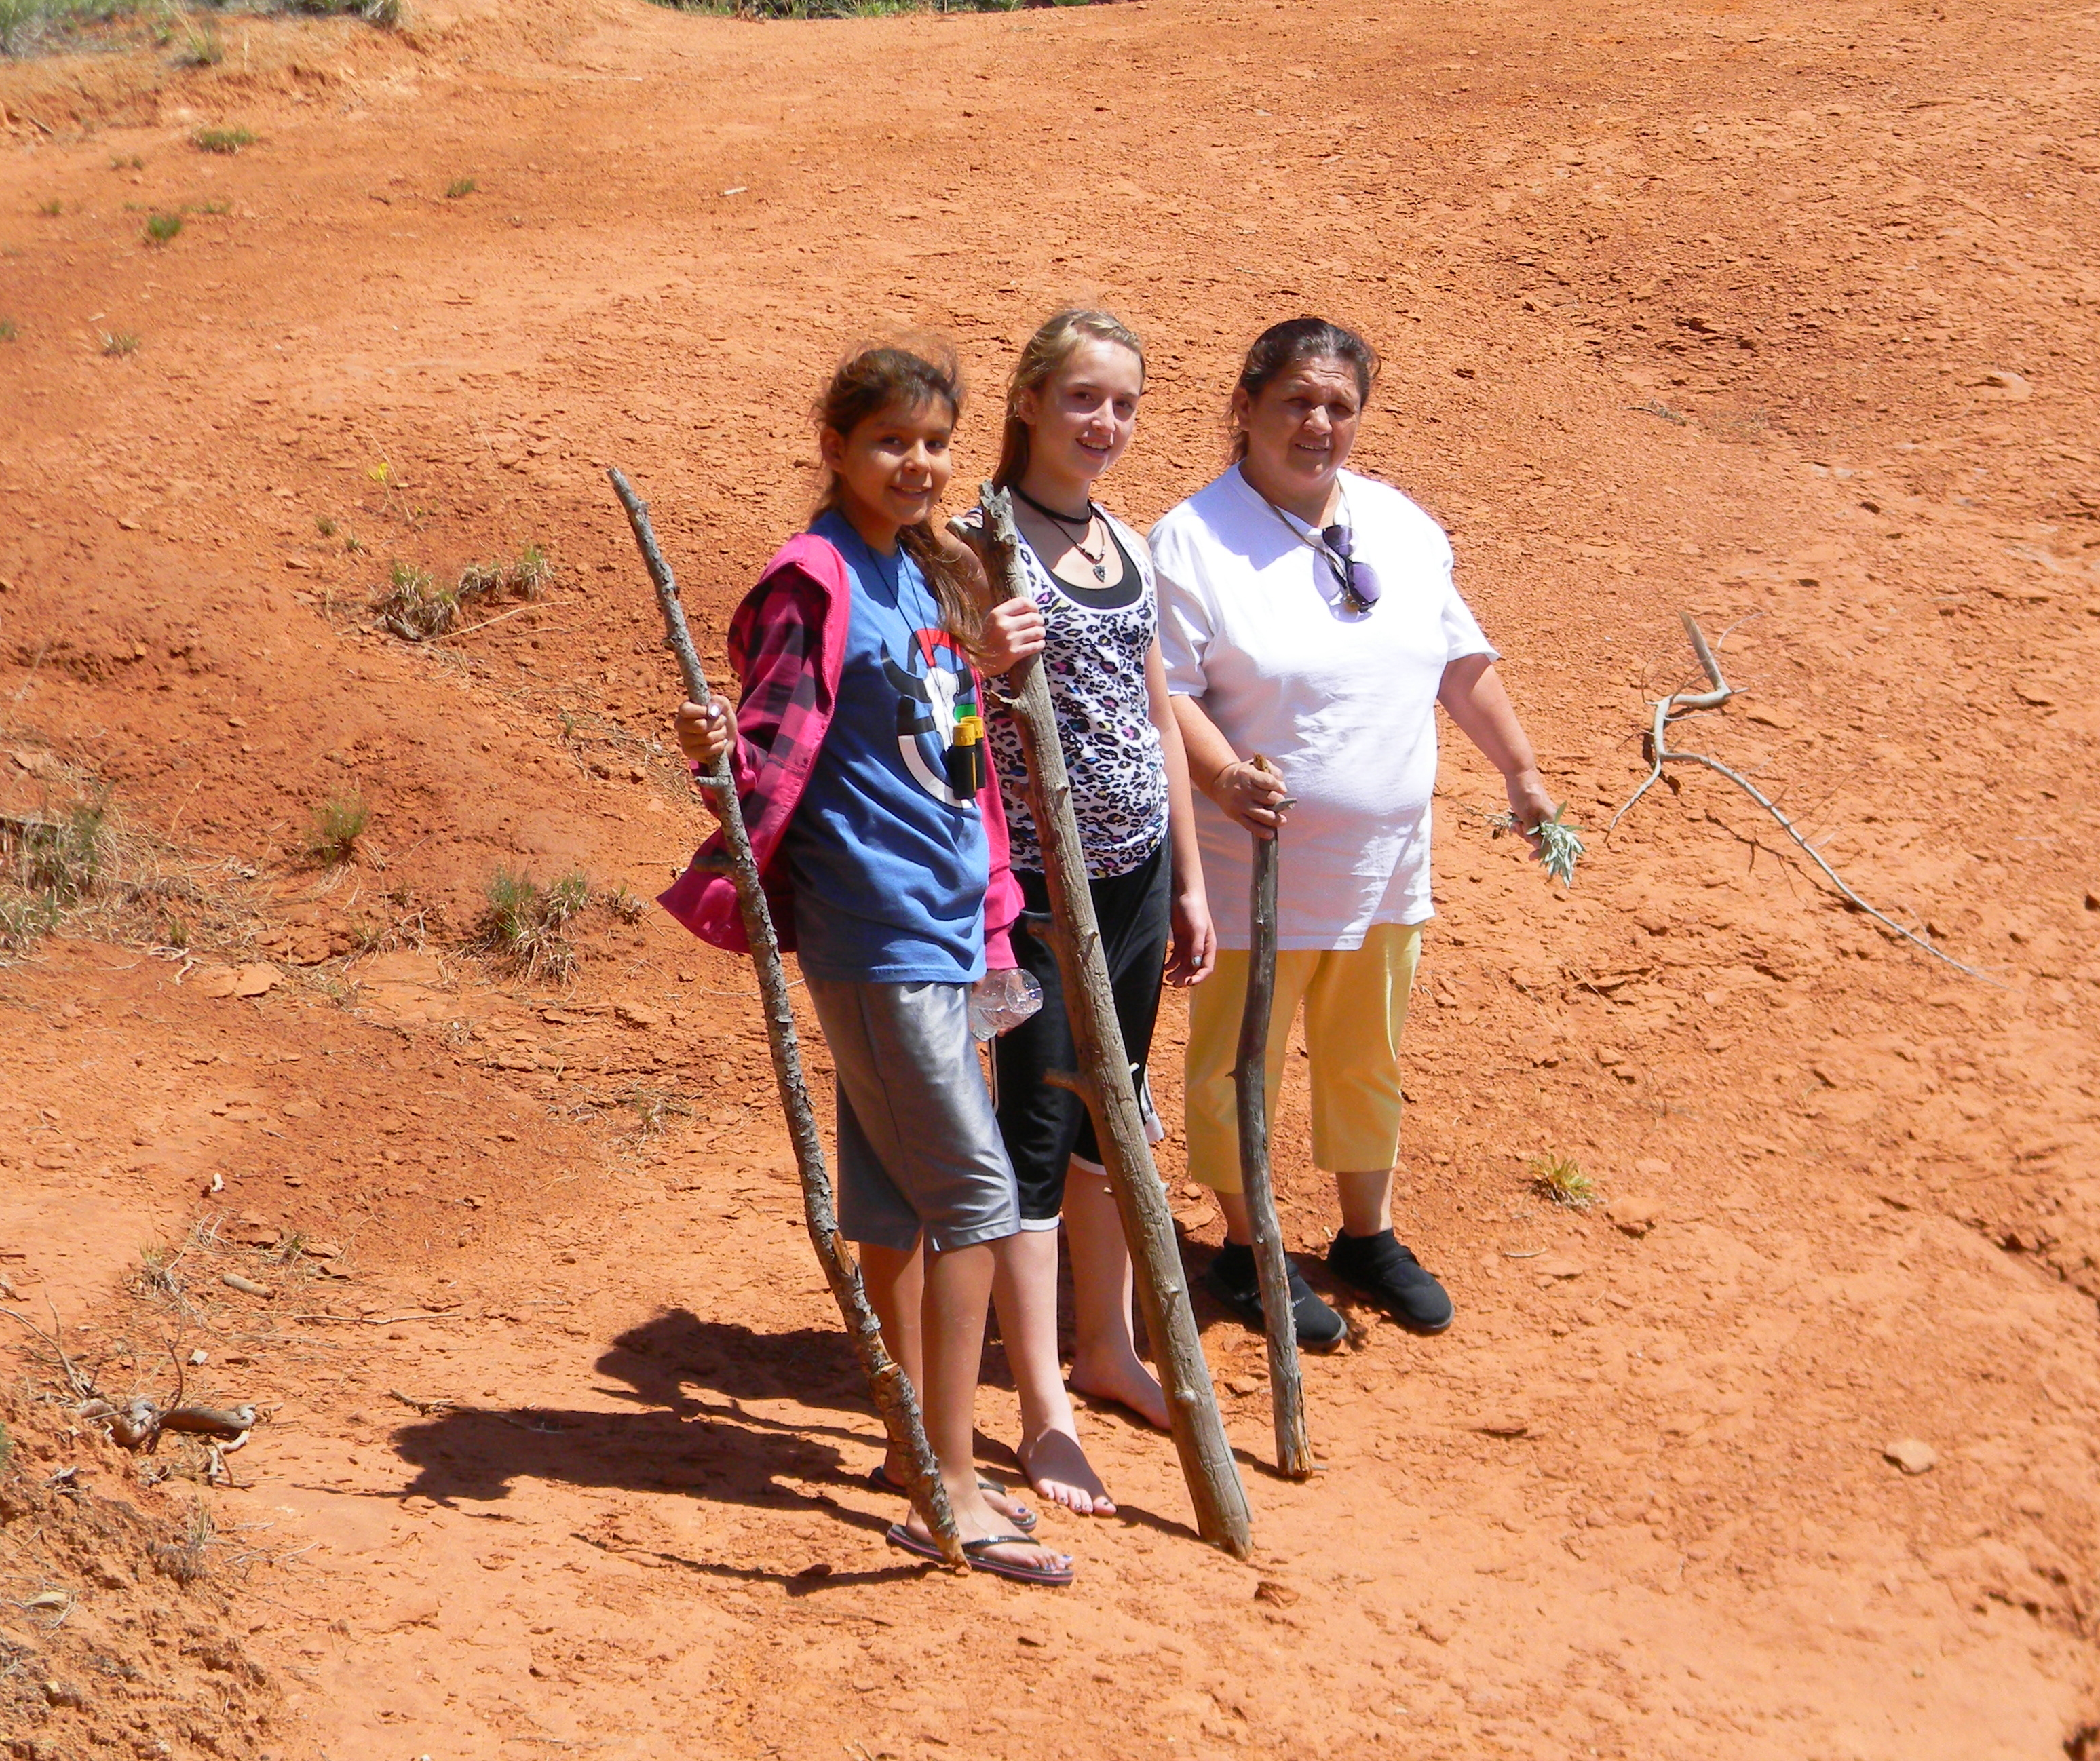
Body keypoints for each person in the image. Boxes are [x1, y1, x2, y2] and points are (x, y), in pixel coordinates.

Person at [660, 338, 1071, 1587]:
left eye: (936, 443)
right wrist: (710, 755)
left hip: (945, 925)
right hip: (877, 934)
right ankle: (946, 1486)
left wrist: (989, 662)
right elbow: (768, 744)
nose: (919, 463)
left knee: (898, 1204)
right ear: (834, 447)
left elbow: (946, 755)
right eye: (892, 440)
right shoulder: (815, 581)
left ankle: (912, 1447)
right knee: (976, 1203)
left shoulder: (925, 574)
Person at [1151, 315, 1557, 1343]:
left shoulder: (1402, 527)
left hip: (1384, 866)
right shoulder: (1192, 542)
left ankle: (1364, 1235)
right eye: (1296, 401)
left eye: (1339, 404)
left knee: (1365, 1052)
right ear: (1244, 409)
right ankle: (1249, 1249)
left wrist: (1520, 771)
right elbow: (1171, 694)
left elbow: (1458, 661)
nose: (1318, 422)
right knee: (1240, 1065)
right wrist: (1227, 774)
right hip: (1258, 871)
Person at [957, 309, 1218, 1520]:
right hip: (1035, 889)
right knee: (1039, 1130)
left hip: (1136, 872)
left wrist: (1193, 882)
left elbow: (1159, 710)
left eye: (1123, 403)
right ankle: (1042, 1408)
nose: (1103, 424)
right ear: (1027, 402)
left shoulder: (1121, 538)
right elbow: (947, 707)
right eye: (1081, 399)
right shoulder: (979, 542)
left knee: (1121, 1115)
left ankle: (1108, 1349)